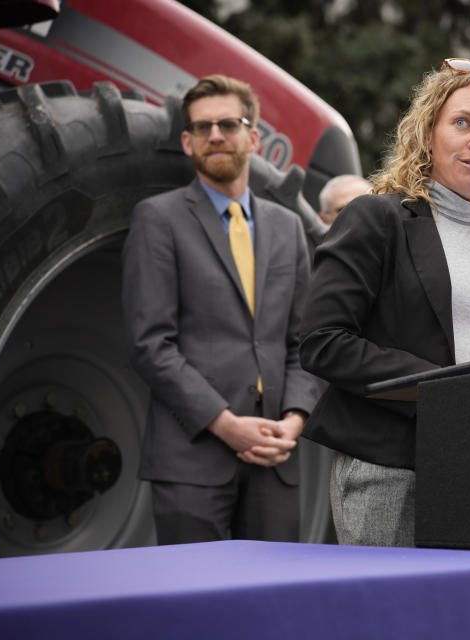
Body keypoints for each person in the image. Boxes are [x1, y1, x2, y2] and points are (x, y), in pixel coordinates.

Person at [298, 57, 470, 547]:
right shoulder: (377, 218)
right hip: (391, 470)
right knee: (388, 624)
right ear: (429, 133)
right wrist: (444, 391)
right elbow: (323, 343)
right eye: (463, 123)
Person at [121, 74, 322, 544]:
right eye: (202, 127)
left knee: (271, 606)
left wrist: (292, 422)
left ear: (252, 137)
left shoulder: (289, 228)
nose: (215, 135)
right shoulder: (157, 219)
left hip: (275, 459)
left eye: (228, 124)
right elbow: (151, 345)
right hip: (191, 461)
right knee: (192, 610)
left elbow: (304, 343)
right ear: (187, 142)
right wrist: (226, 426)